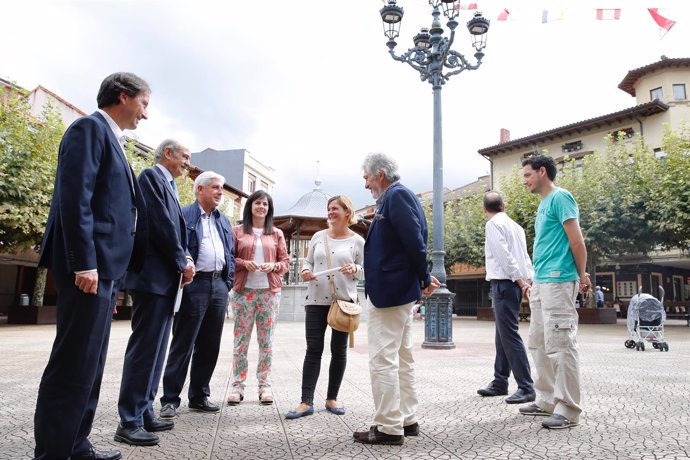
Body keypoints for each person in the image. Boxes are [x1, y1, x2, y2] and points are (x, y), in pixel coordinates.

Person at [33, 72, 149, 460]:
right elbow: (74, 198)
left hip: (106, 271)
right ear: (122, 96)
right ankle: (53, 452)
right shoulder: (88, 129)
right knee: (72, 363)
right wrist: (84, 263)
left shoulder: (113, 140)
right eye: (143, 103)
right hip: (88, 270)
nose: (145, 114)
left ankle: (76, 444)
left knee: (91, 364)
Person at [353, 153, 440, 446]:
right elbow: (409, 241)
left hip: (390, 291)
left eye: (366, 177)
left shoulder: (396, 196)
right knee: (402, 358)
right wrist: (421, 279)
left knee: (382, 359)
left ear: (380, 174)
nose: (365, 184)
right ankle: (406, 418)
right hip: (398, 289)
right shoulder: (398, 196)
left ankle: (389, 427)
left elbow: (415, 241)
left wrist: (425, 278)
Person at [115, 139, 194, 446]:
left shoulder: (171, 186)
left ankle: (145, 409)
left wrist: (185, 259)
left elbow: (176, 230)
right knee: (144, 349)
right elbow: (160, 225)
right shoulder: (151, 177)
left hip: (166, 281)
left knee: (158, 350)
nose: (187, 163)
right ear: (168, 154)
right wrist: (181, 260)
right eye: (184, 156)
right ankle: (129, 419)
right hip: (151, 278)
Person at [519, 155, 591, 430]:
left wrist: (581, 273)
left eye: (527, 175)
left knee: (561, 344)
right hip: (542, 281)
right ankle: (547, 399)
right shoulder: (543, 204)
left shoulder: (561, 198)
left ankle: (569, 409)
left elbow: (576, 240)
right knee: (538, 342)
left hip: (559, 280)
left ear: (542, 171)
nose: (525, 181)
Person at [159, 171, 235, 419]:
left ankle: (199, 396)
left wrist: (228, 283)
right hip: (194, 284)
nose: (219, 193)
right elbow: (176, 246)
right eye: (215, 187)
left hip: (218, 286)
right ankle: (170, 399)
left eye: (221, 188)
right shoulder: (184, 214)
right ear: (199, 189)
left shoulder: (223, 221)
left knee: (210, 345)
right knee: (183, 343)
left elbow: (229, 254)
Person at [285, 195, 365, 419]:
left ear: (347, 212)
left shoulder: (358, 241)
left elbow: (366, 270)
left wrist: (355, 269)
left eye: (335, 209)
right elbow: (308, 261)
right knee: (313, 350)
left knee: (338, 351)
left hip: (343, 303)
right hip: (316, 300)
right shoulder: (319, 237)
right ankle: (305, 401)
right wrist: (304, 270)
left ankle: (332, 398)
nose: (330, 212)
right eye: (329, 209)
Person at [227, 190, 289, 405]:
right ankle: (237, 386)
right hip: (243, 293)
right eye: (258, 203)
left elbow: (285, 263)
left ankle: (264, 386)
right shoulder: (236, 231)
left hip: (269, 293)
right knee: (240, 342)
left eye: (265, 204)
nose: (261, 207)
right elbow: (228, 258)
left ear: (269, 208)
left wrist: (274, 266)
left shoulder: (277, 233)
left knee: (267, 342)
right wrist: (243, 262)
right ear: (250, 206)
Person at [478, 191, 536, 405]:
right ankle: (500, 381)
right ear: (504, 205)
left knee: (509, 335)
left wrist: (520, 281)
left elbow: (504, 256)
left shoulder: (493, 225)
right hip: (514, 283)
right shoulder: (516, 227)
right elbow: (525, 256)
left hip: (505, 283)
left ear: (485, 210)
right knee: (502, 334)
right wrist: (527, 280)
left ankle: (526, 387)